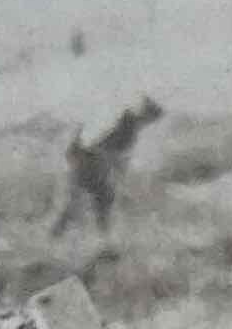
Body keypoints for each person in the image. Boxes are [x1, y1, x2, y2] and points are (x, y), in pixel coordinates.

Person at [57, 92, 164, 239]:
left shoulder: (128, 123)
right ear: (146, 114)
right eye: (151, 118)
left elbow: (110, 148)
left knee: (85, 203)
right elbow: (110, 150)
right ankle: (100, 237)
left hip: (91, 163)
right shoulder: (128, 125)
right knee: (100, 199)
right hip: (93, 164)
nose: (150, 123)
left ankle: (60, 234)